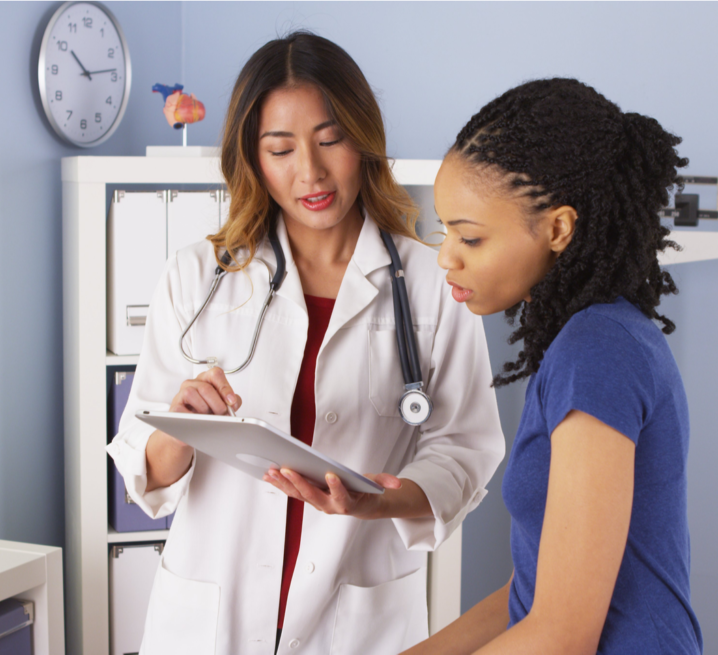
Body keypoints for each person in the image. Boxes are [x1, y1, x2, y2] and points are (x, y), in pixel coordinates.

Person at [106, 32, 505, 655]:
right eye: (281, 148)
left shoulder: (430, 284)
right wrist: (177, 429)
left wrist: (381, 502)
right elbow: (143, 471)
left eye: (330, 140)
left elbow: (466, 446)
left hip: (358, 621)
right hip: (214, 620)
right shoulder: (195, 277)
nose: (310, 172)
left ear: (363, 140)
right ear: (253, 158)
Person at [404, 78, 703, 654]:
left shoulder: (599, 349)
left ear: (558, 228)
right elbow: (533, 593)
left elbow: (562, 635)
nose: (446, 256)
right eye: (444, 231)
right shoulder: (586, 341)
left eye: (469, 236)